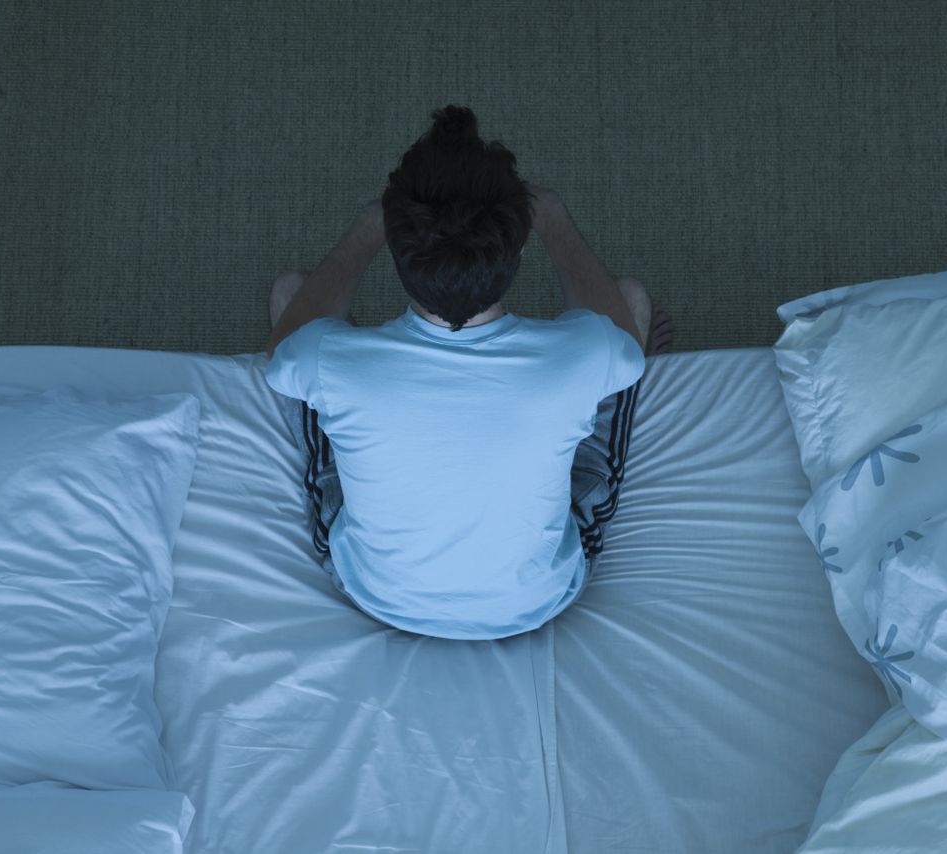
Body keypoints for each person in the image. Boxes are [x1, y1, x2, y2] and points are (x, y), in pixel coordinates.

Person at [263, 105, 674, 641]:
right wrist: (550, 213)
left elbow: (281, 351)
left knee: (292, 296)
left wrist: (368, 228)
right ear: (520, 246)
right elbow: (624, 343)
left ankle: (360, 361)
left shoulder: (320, 357)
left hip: (375, 592)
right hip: (540, 597)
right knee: (632, 306)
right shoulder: (589, 349)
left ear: (397, 252)